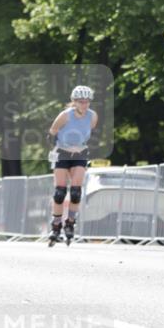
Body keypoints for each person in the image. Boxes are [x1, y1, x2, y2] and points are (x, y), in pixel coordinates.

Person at [46, 85, 98, 247]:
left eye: (87, 101)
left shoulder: (93, 116)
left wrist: (79, 147)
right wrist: (59, 149)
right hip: (62, 153)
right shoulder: (65, 116)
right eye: (81, 101)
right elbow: (51, 134)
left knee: (75, 192)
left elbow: (87, 134)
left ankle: (70, 222)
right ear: (74, 102)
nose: (84, 104)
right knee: (60, 192)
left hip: (80, 154)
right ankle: (56, 225)